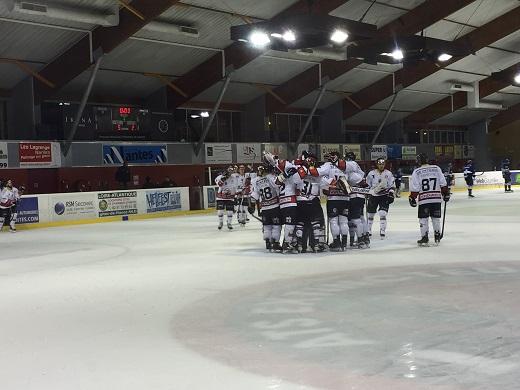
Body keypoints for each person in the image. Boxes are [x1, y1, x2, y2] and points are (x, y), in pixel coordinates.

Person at [409, 154, 449, 246]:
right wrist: (445, 193)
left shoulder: (417, 171)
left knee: (423, 219)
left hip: (424, 199)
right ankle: (437, 235)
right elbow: (443, 183)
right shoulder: (436, 168)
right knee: (436, 218)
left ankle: (424, 237)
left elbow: (415, 187)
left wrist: (412, 197)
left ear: (419, 161)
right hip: (436, 198)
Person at [250, 164, 282, 251]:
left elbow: (255, 196)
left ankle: (267, 242)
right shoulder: (271, 178)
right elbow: (278, 188)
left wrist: (251, 206)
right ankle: (275, 242)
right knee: (276, 225)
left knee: (267, 226)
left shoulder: (256, 181)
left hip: (264, 208)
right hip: (274, 206)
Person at [366, 158, 396, 239]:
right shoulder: (371, 173)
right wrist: (367, 192)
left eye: (383, 164)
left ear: (385, 164)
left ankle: (382, 230)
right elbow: (367, 184)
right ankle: (368, 230)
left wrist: (391, 193)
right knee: (370, 214)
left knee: (383, 213)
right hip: (373, 196)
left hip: (384, 195)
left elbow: (392, 185)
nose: (381, 166)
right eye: (380, 164)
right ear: (377, 164)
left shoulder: (388, 173)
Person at [215, 166, 238, 230]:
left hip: (230, 197)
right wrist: (224, 178)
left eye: (231, 171)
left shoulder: (234, 178)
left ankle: (229, 223)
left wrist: (235, 193)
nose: (230, 173)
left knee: (230, 212)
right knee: (220, 211)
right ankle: (220, 222)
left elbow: (235, 187)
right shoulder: (219, 177)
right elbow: (219, 184)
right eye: (229, 171)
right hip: (221, 197)